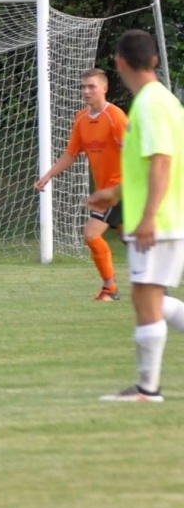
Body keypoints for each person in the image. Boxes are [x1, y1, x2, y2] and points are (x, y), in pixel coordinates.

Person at [87, 30, 184, 402]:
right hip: (169, 216)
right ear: (155, 61)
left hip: (158, 221)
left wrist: (147, 217)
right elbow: (150, 166)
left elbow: (162, 162)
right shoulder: (167, 102)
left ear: (120, 63)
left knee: (145, 301)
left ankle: (148, 389)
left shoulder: (148, 104)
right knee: (153, 300)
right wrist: (113, 193)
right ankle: (148, 388)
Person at [35, 68, 128, 301]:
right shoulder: (81, 118)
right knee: (132, 241)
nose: (86, 91)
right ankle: (158, 282)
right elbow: (71, 153)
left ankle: (110, 289)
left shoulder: (115, 117)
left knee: (91, 233)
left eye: (91, 86)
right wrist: (48, 175)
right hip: (107, 189)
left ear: (104, 88)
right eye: (83, 87)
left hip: (120, 188)